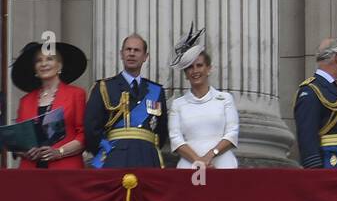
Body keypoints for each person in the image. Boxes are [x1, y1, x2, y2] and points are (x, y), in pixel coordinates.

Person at [84, 33, 168, 168]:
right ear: (121, 54)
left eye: (137, 50)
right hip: (114, 158)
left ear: (145, 57)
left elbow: (162, 131)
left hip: (148, 158)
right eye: (128, 49)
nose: (132, 53)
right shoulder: (104, 87)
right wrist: (105, 150)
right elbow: (91, 128)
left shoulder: (156, 90)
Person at [168, 27, 239, 169]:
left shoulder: (225, 99)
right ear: (185, 74)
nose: (195, 71)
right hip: (189, 166)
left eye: (199, 65)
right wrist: (198, 161)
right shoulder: (178, 104)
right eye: (190, 67)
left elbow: (232, 133)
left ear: (208, 69)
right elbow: (175, 138)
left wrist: (210, 156)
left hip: (223, 165)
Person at [10, 39, 87, 169]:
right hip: (31, 172)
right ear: (35, 68)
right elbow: (19, 140)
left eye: (49, 59)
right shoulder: (25, 101)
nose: (44, 64)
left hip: (65, 170)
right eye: (39, 61)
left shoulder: (76, 94)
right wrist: (26, 151)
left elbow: (84, 135)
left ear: (60, 65)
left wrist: (59, 152)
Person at [294, 37, 337, 168]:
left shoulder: (335, 90)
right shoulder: (311, 90)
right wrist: (315, 170)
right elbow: (307, 136)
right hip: (329, 166)